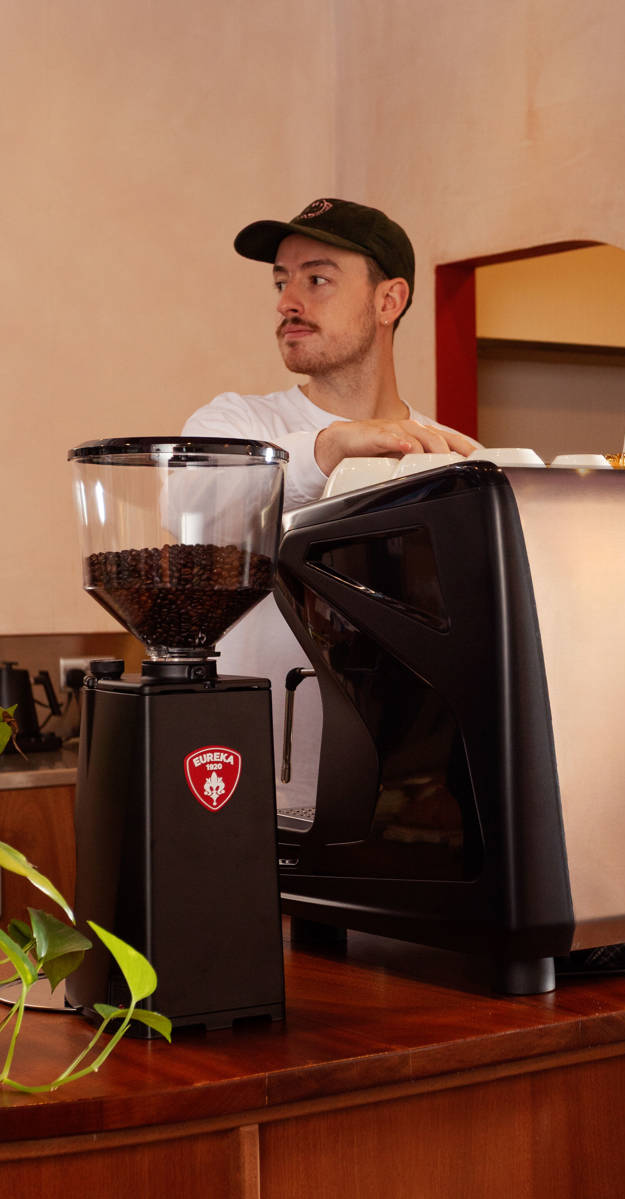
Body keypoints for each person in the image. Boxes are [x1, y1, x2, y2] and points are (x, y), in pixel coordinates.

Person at [183, 198, 477, 810]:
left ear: (388, 301)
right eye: (282, 282)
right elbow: (190, 509)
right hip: (252, 792)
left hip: (402, 803)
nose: (288, 301)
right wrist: (329, 447)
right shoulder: (240, 423)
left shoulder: (445, 456)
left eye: (316, 279)